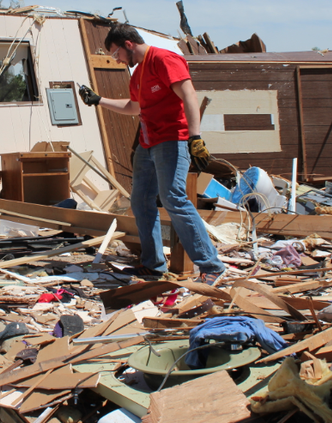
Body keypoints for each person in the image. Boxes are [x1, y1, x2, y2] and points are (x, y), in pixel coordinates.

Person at [78, 24, 226, 284]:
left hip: (172, 139)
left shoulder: (163, 59)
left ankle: (211, 266)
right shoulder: (137, 75)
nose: (117, 60)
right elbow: (134, 107)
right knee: (140, 201)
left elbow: (189, 94)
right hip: (147, 143)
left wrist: (195, 137)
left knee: (173, 197)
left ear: (128, 44)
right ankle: (153, 265)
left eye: (116, 54)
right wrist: (99, 100)